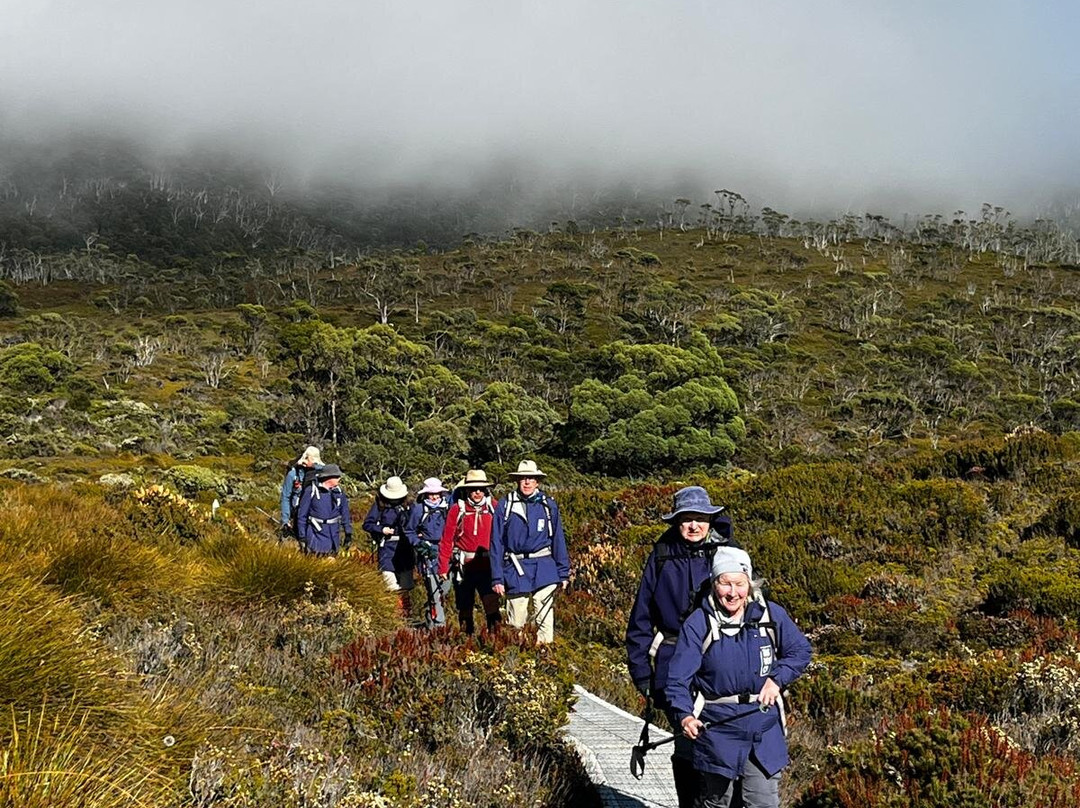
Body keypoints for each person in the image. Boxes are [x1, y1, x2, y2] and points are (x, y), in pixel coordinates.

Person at [664, 547, 811, 808]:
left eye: (739, 584)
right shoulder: (699, 623)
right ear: (713, 584)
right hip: (716, 730)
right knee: (717, 803)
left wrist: (776, 679)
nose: (733, 593)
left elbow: (800, 651)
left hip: (763, 729)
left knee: (763, 803)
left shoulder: (770, 615)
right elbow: (677, 678)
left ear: (750, 584)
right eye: (725, 583)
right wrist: (684, 715)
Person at [625, 486, 739, 808]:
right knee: (687, 744)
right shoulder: (661, 555)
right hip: (674, 664)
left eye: (700, 519)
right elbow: (641, 617)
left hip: (723, 663)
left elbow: (751, 607)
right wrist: (641, 674)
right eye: (686, 519)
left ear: (710, 520)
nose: (693, 526)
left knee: (723, 743)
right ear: (676, 522)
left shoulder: (728, 553)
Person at [489, 460, 570, 644]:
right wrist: (497, 578)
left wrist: (563, 572)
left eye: (531, 478)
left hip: (544, 567)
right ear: (517, 481)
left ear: (537, 482)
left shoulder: (548, 505)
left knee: (545, 617)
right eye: (523, 478)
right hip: (515, 568)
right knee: (516, 620)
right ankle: (517, 659)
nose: (527, 482)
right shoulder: (505, 505)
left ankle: (545, 656)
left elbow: (558, 539)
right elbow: (496, 543)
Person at [438, 469, 501, 634]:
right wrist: (443, 566)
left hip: (489, 567)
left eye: (481, 488)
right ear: (466, 490)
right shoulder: (456, 510)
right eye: (473, 489)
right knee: (464, 607)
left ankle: (495, 642)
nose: (477, 492)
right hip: (464, 568)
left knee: (491, 605)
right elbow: (447, 540)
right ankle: (467, 643)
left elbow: (504, 536)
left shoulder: (494, 507)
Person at [363, 475, 415, 615]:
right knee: (390, 583)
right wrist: (382, 530)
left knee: (405, 584)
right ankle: (395, 613)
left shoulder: (410, 506)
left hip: (405, 549)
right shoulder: (380, 505)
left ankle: (406, 614)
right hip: (387, 550)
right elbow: (367, 524)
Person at [404, 477, 451, 628]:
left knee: (445, 587)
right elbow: (409, 531)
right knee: (434, 589)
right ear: (425, 494)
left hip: (446, 551)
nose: (435, 496)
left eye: (437, 493)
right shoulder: (418, 509)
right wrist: (419, 545)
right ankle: (439, 626)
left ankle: (430, 614)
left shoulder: (448, 507)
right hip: (428, 553)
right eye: (431, 493)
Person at [295, 463, 352, 556]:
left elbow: (345, 513)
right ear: (329, 477)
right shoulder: (311, 490)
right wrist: (302, 537)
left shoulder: (339, 493)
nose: (339, 478)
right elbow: (302, 515)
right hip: (315, 536)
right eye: (337, 476)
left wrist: (348, 533)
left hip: (333, 536)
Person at [281, 446, 322, 540]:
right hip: (297, 513)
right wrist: (285, 520)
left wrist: (313, 466)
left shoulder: (320, 473)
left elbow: (323, 468)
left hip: (315, 515)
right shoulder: (293, 474)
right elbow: (285, 497)